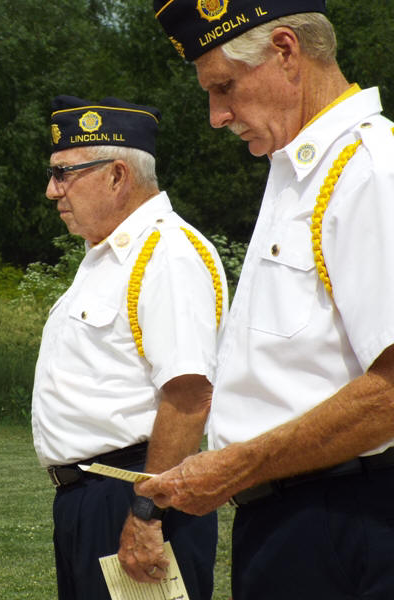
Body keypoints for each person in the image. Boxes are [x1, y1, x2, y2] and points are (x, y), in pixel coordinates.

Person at [141, 2, 394, 598]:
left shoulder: (369, 171)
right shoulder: (301, 173)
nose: (217, 117)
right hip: (294, 516)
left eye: (224, 86)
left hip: (346, 519)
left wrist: (236, 465)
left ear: (285, 51)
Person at [31, 95, 228, 600]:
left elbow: (189, 395)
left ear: (118, 175)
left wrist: (145, 513)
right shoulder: (108, 257)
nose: (52, 190)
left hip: (137, 493)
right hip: (92, 499)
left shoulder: (167, 253)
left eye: (63, 173)